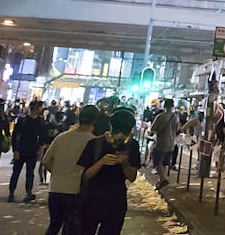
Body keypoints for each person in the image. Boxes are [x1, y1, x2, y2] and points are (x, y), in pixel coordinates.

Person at [77, 110, 141, 235]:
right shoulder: (95, 143)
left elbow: (132, 177)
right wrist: (102, 162)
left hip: (116, 201)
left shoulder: (132, 145)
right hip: (92, 200)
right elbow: (85, 176)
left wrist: (125, 163)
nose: (121, 137)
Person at [42, 105, 98, 235]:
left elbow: (46, 161)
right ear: (94, 120)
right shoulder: (93, 141)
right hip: (75, 190)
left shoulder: (62, 137)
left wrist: (57, 173)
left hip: (56, 188)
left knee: (54, 225)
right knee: (71, 228)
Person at [9, 100, 46, 202]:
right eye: (39, 107)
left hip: (32, 151)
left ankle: (28, 192)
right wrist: (15, 150)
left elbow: (42, 138)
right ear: (34, 108)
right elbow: (14, 136)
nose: (41, 109)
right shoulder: (22, 120)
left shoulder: (40, 121)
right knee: (16, 172)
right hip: (21, 149)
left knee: (30, 173)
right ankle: (11, 193)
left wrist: (40, 151)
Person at [149, 98, 179, 189]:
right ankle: (161, 179)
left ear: (164, 106)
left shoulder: (160, 116)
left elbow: (153, 129)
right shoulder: (176, 117)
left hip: (161, 142)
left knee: (156, 160)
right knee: (165, 162)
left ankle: (163, 178)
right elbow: (177, 129)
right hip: (172, 143)